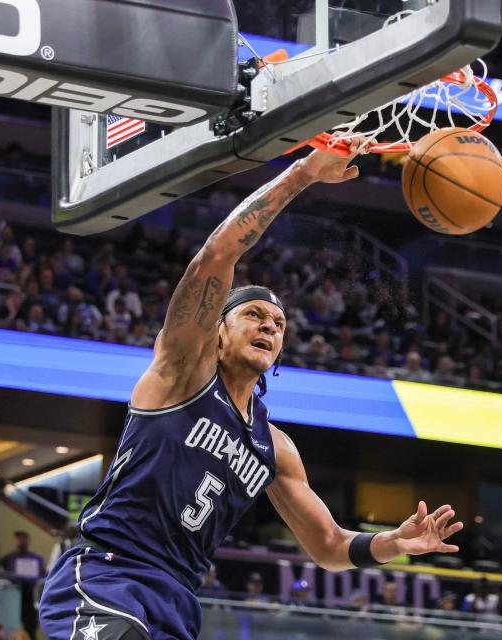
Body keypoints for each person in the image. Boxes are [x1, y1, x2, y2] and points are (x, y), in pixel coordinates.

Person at [39, 141, 464, 640]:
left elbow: (328, 545)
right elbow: (221, 252)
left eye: (279, 323)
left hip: (176, 599)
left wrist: (395, 543)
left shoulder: (274, 447)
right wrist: (302, 174)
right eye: (254, 315)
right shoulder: (182, 373)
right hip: (109, 575)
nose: (268, 326)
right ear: (216, 330)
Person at [1, 531, 44, 639]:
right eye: (19, 538)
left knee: (31, 628)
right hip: (14, 597)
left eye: (24, 538)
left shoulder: (35, 558)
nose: (21, 541)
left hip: (30, 598)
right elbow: (1, 573)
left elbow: (42, 574)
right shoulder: (8, 558)